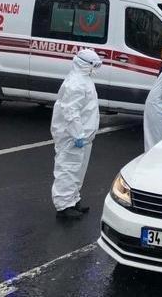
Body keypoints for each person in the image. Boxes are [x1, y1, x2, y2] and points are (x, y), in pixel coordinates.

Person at [51, 49, 102, 220]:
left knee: (78, 170)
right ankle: (63, 207)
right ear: (84, 64)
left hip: (83, 136)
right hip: (72, 136)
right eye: (93, 65)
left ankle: (73, 200)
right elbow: (70, 111)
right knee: (67, 169)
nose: (95, 68)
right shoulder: (76, 83)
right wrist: (78, 134)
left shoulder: (84, 80)